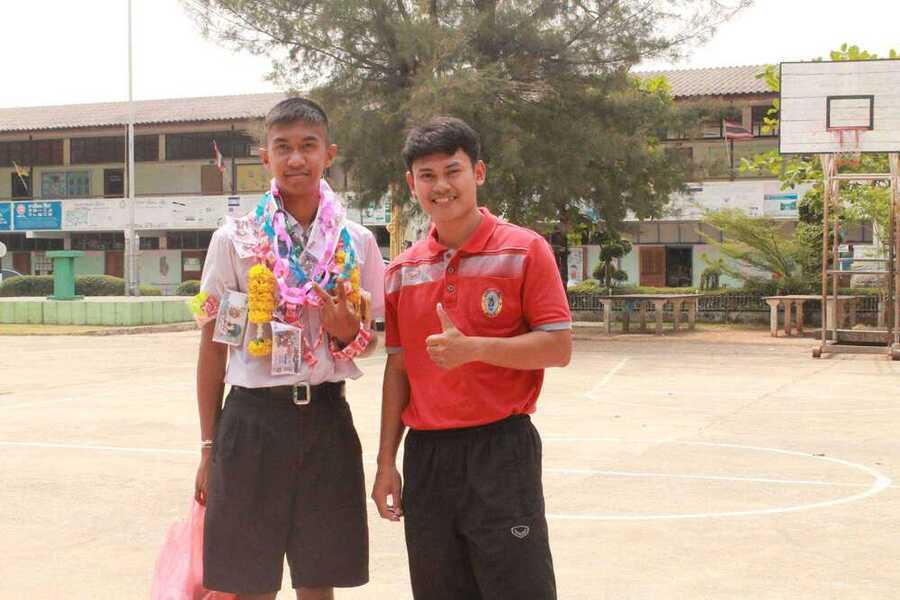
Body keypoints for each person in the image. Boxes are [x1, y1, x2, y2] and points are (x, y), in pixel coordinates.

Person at [372, 116, 572, 600]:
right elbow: (398, 369)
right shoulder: (402, 271)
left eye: (452, 171)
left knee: (517, 589)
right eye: (427, 175)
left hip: (500, 449)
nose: (441, 186)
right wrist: (385, 462)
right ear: (412, 184)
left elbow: (558, 347)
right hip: (427, 455)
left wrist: (475, 349)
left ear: (478, 172)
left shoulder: (525, 250)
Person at [192, 97, 384, 599]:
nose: (296, 158)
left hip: (326, 417)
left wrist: (345, 332)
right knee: (250, 581)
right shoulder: (234, 240)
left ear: (329, 154)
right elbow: (213, 348)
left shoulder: (357, 242)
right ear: (266, 157)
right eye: (283, 147)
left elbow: (371, 341)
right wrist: (209, 446)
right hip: (253, 420)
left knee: (319, 577)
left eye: (308, 146)